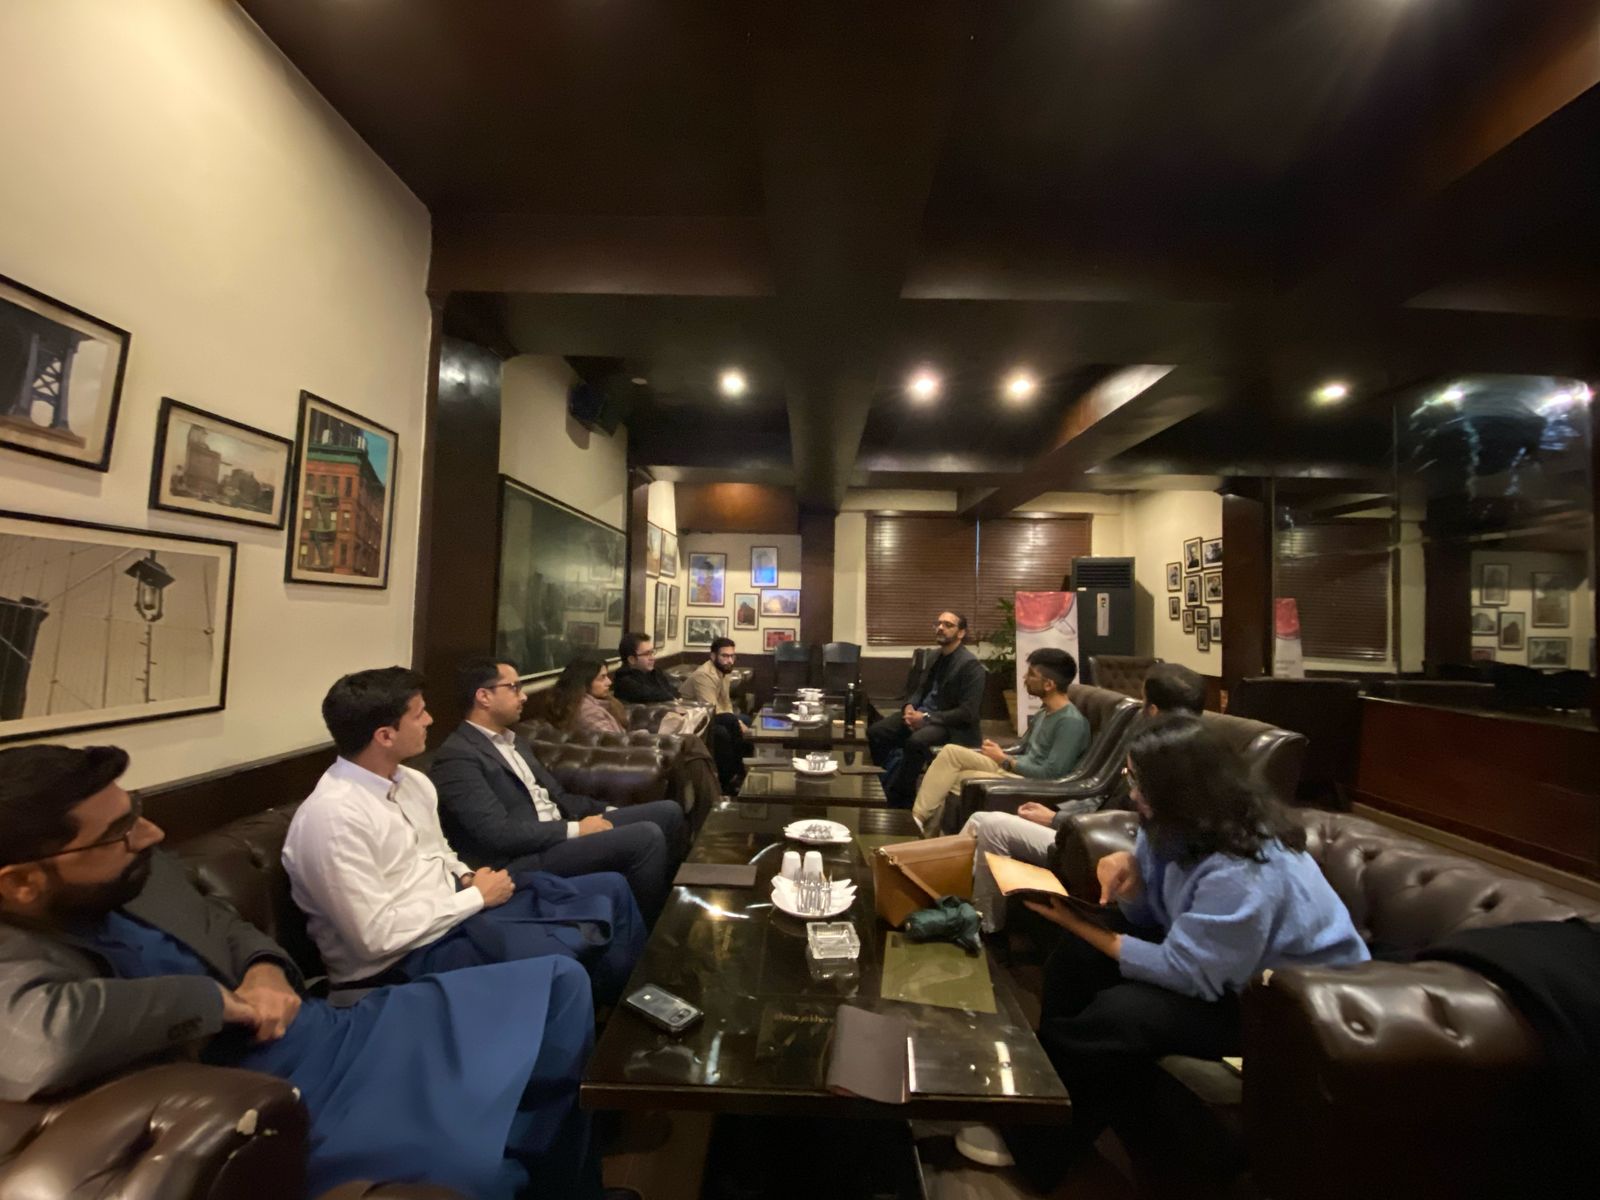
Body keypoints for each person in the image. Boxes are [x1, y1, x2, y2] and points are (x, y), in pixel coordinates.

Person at [0, 744, 624, 1200]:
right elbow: (43, 1041)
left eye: (136, 809)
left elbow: (223, 926)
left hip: (322, 1028)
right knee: (473, 1173)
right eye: (120, 831)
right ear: (23, 882)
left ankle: (562, 1181)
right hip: (260, 1091)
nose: (151, 833)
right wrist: (217, 1001)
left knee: (557, 985)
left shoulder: (137, 870)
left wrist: (265, 969)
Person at [988, 715, 1369, 1184]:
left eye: (1137, 781)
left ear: (1179, 788)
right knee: (1076, 958)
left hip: (1288, 1003)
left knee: (1121, 1013)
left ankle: (1035, 1149)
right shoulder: (1171, 826)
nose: (1131, 792)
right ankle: (1048, 1100)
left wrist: (1083, 926)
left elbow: (1189, 974)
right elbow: (1151, 918)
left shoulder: (1245, 866)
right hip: (1220, 967)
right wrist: (1130, 882)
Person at [283, 667, 645, 1004]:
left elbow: (440, 851)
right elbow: (374, 939)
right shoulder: (333, 819)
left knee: (611, 887)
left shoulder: (413, 782)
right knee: (562, 968)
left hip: (455, 914)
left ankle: (619, 1012)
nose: (430, 720)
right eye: (419, 714)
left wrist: (467, 876)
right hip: (399, 963)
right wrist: (473, 897)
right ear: (385, 735)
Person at [431, 658, 687, 922]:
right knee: (646, 836)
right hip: (524, 857)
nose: (523, 696)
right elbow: (498, 834)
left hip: (558, 830)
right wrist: (576, 829)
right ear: (484, 696)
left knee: (667, 812)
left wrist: (611, 811)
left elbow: (559, 797)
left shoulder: (513, 741)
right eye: (514, 688)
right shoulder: (458, 757)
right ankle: (656, 929)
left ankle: (679, 905)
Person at [963, 662, 1205, 932]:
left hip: (1096, 846)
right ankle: (954, 900)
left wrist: (1058, 819)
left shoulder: (1162, 760)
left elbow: (1135, 823)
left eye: (1143, 700)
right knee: (979, 821)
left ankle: (985, 925)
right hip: (1086, 827)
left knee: (992, 827)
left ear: (1154, 710)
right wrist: (1060, 816)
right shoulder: (1185, 749)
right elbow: (1100, 792)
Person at [910, 647, 1089, 835]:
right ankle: (919, 820)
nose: (1025, 678)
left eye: (1031, 674)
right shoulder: (1045, 712)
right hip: (1016, 768)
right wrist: (1001, 754)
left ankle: (927, 830)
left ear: (1049, 684)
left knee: (958, 779)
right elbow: (1023, 747)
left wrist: (1005, 760)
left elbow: (1051, 774)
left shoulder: (1070, 722)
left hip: (1030, 780)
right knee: (950, 752)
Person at [549, 655, 723, 828]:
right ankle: (713, 812)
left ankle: (711, 813)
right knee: (691, 744)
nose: (609, 682)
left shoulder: (595, 703)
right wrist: (652, 736)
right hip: (620, 760)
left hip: (627, 750)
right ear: (584, 682)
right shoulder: (588, 711)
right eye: (602, 678)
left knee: (691, 754)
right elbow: (613, 743)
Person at [867, 611, 986, 808]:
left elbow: (967, 712)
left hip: (950, 724)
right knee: (876, 732)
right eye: (938, 623)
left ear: (961, 633)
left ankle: (901, 800)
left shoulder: (970, 665)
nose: (941, 628)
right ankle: (883, 782)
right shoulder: (934, 656)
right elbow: (920, 690)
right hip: (922, 714)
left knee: (916, 741)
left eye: (948, 625)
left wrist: (926, 718)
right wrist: (909, 707)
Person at [679, 637, 752, 792]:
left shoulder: (724, 671)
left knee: (744, 719)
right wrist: (736, 722)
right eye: (724, 656)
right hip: (693, 718)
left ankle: (739, 770)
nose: (729, 660)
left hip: (710, 715)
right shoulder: (704, 675)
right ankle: (728, 779)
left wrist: (737, 721)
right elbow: (710, 708)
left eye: (732, 656)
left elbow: (725, 703)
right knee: (723, 732)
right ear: (713, 656)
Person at [611, 632, 678, 704]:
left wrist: (675, 697)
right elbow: (651, 695)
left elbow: (672, 690)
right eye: (647, 654)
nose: (652, 658)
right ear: (632, 659)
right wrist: (672, 698)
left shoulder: (655, 672)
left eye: (652, 652)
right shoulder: (624, 681)